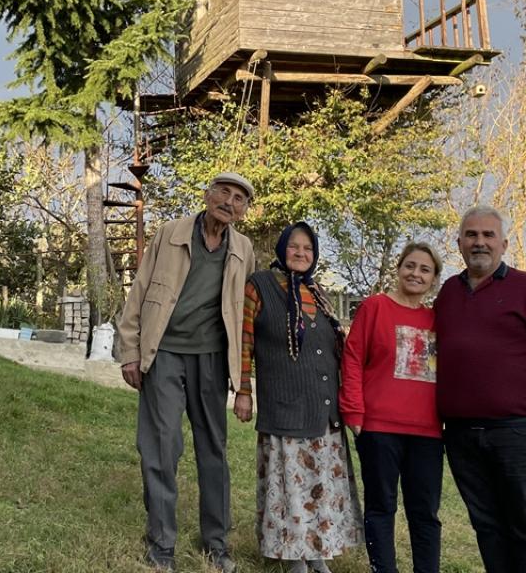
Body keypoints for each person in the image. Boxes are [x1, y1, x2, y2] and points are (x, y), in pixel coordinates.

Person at [117, 172, 257, 573]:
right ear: (207, 195)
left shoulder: (243, 249)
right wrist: (130, 351)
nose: (229, 202)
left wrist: (244, 380)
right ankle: (161, 544)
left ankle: (216, 544)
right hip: (164, 352)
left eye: (239, 199)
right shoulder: (171, 233)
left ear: (244, 210)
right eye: (223, 193)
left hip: (212, 358)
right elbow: (140, 291)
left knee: (214, 450)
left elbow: (246, 313)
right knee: (161, 446)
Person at [433, 205, 526, 573]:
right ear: (459, 243)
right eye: (471, 235)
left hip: (517, 433)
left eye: (488, 235)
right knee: (487, 527)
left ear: (502, 244)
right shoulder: (448, 294)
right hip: (462, 436)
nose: (480, 242)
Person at [234, 221, 362, 573]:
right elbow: (244, 340)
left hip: (324, 411)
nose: (301, 253)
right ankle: (294, 558)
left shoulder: (317, 292)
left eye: (308, 248)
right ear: (282, 249)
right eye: (294, 246)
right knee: (291, 486)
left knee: (321, 486)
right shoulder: (260, 285)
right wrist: (243, 390)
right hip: (285, 408)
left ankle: (317, 553)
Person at [340, 242, 444, 573]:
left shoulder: (438, 320)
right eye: (410, 266)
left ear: (434, 279)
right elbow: (353, 358)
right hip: (379, 427)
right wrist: (354, 411)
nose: (416, 274)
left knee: (425, 513)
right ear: (398, 269)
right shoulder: (375, 307)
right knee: (381, 507)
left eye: (425, 269)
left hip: (427, 432)